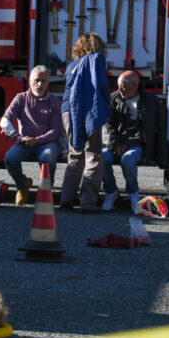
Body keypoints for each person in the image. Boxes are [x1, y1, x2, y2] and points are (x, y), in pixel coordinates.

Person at [60, 32, 111, 213]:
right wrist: (108, 104)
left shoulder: (71, 66)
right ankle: (88, 202)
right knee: (93, 155)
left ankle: (66, 199)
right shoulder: (97, 59)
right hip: (88, 111)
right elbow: (101, 84)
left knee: (75, 155)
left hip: (68, 111)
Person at [0, 65, 63, 206]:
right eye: (36, 80)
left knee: (47, 158)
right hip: (25, 142)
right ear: (30, 81)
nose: (39, 84)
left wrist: (38, 140)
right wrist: (18, 138)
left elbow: (56, 131)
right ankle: (22, 186)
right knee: (10, 158)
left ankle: (45, 193)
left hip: (47, 142)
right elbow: (5, 120)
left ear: (48, 83)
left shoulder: (54, 101)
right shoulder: (20, 98)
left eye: (43, 81)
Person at [101, 70, 155, 212]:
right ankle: (111, 191)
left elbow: (147, 129)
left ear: (135, 85)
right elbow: (107, 125)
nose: (119, 89)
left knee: (128, 159)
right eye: (118, 86)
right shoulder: (113, 99)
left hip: (136, 144)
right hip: (115, 143)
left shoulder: (148, 101)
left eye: (123, 86)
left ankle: (133, 194)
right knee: (102, 157)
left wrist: (128, 144)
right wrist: (114, 145)